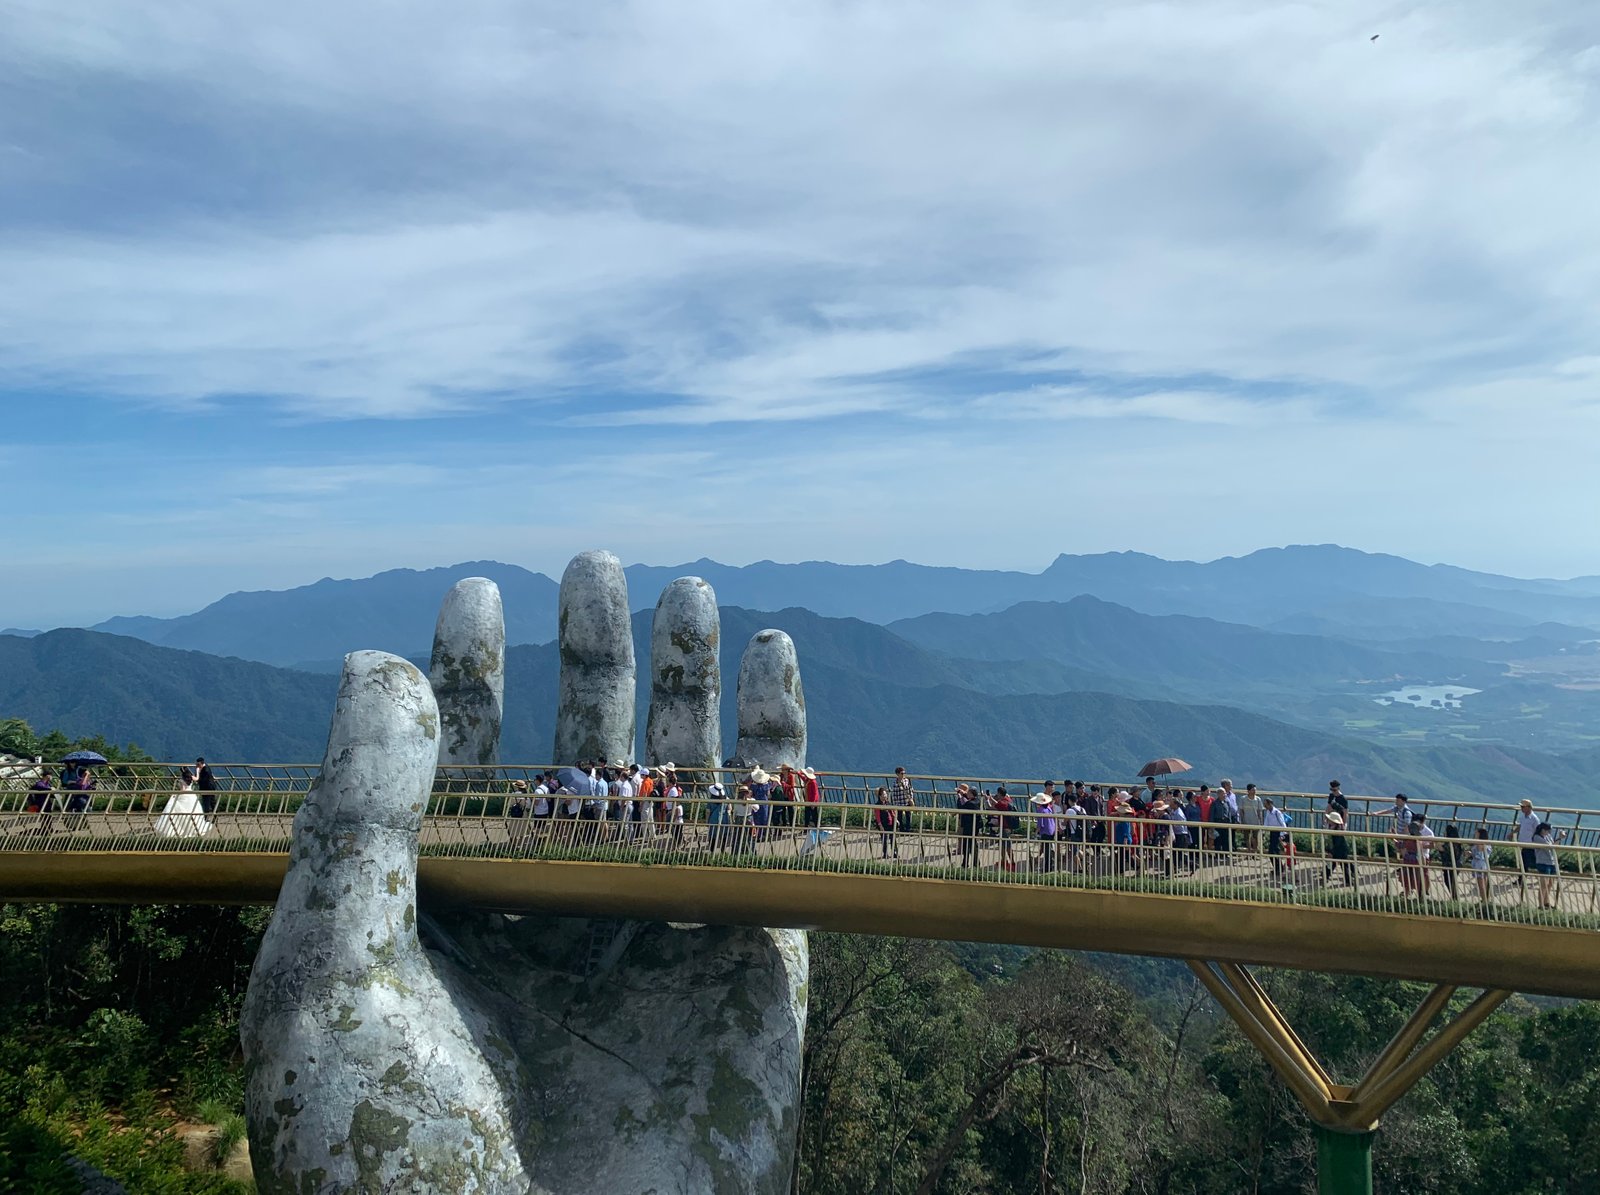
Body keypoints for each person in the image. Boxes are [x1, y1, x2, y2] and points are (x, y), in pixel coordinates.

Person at [154, 766, 211, 838]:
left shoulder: (182, 780)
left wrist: (175, 794)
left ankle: (180, 829)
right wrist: (197, 771)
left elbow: (183, 790)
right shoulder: (191, 777)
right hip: (191, 796)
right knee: (193, 812)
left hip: (184, 796)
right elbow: (197, 779)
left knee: (177, 811)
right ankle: (195, 828)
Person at [1532, 821, 1564, 909]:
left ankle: (1546, 902)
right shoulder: (1537, 837)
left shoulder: (1548, 836)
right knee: (1544, 884)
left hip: (1551, 862)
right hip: (1543, 862)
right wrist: (1559, 838)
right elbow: (1550, 847)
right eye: (1548, 831)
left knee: (1550, 883)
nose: (1549, 833)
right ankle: (1541, 904)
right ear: (1543, 830)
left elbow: (1554, 847)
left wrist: (1558, 840)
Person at [1515, 799, 1542, 898]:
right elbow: (1520, 826)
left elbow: (1538, 830)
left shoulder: (1534, 819)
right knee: (1525, 861)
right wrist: (1513, 832)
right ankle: (1522, 878)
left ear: (1528, 807)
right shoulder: (1523, 817)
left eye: (1523, 807)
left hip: (1531, 844)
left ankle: (1524, 878)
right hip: (1524, 843)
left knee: (1530, 861)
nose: (1521, 808)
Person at [1323, 808, 1355, 887]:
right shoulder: (1336, 829)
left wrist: (1331, 852)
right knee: (1344, 865)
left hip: (1339, 851)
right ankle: (1351, 877)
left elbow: (1336, 844)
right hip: (1341, 850)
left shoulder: (1336, 831)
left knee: (1334, 865)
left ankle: (1325, 877)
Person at [1262, 797, 1291, 885]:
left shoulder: (1277, 812)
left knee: (1273, 851)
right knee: (1274, 851)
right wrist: (1263, 831)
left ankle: (1279, 868)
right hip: (1272, 832)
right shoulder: (1268, 812)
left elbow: (1282, 823)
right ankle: (1278, 868)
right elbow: (1266, 822)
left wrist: (1283, 834)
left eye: (1265, 803)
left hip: (1278, 833)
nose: (1264, 805)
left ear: (1269, 804)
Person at [989, 786, 1018, 871]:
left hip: (1005, 826)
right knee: (1002, 844)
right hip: (1006, 826)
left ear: (999, 793)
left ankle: (1012, 863)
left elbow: (995, 806)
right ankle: (1004, 861)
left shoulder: (1004, 802)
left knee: (1007, 845)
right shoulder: (1009, 800)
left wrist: (990, 798)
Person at [1031, 790, 1058, 873]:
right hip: (1052, 830)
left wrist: (1035, 833)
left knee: (1047, 851)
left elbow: (1040, 824)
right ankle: (1051, 866)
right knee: (1049, 850)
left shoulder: (1040, 810)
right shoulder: (1049, 808)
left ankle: (1047, 868)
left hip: (1045, 832)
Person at [955, 783, 981, 867]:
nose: (967, 794)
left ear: (972, 794)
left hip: (968, 827)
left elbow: (960, 807)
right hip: (975, 826)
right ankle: (975, 863)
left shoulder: (970, 804)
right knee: (973, 845)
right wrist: (962, 793)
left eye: (968, 792)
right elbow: (967, 797)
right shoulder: (977, 801)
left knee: (967, 845)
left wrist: (959, 797)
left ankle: (965, 863)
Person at [1237, 783, 1265, 851]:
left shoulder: (1258, 799)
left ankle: (1254, 851)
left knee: (1255, 838)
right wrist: (1242, 821)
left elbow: (1260, 811)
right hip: (1246, 821)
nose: (1254, 791)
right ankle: (1249, 851)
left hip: (1255, 822)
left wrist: (1261, 822)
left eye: (1255, 790)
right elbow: (1241, 811)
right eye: (1253, 790)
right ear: (1248, 791)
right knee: (1247, 838)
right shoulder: (1243, 799)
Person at [873, 785, 898, 859]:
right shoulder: (877, 805)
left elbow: (892, 812)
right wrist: (880, 825)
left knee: (893, 838)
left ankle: (894, 852)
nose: (885, 796)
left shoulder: (888, 803)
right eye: (884, 794)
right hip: (883, 824)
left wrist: (895, 819)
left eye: (886, 794)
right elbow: (877, 816)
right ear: (880, 796)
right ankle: (885, 853)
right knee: (884, 838)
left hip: (890, 823)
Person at [1469, 826, 1492, 903]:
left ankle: (1484, 900)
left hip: (1480, 864)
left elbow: (1480, 850)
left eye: (1476, 833)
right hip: (1480, 863)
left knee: (1481, 883)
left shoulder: (1482, 844)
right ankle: (1485, 898)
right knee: (1483, 882)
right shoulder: (1484, 844)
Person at [892, 767, 916, 839]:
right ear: (897, 774)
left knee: (908, 815)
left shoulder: (906, 781)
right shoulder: (895, 783)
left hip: (907, 801)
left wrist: (911, 799)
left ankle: (908, 829)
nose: (903, 775)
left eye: (904, 773)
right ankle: (901, 829)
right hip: (899, 802)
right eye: (902, 773)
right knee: (900, 816)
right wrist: (895, 803)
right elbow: (894, 794)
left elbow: (910, 790)